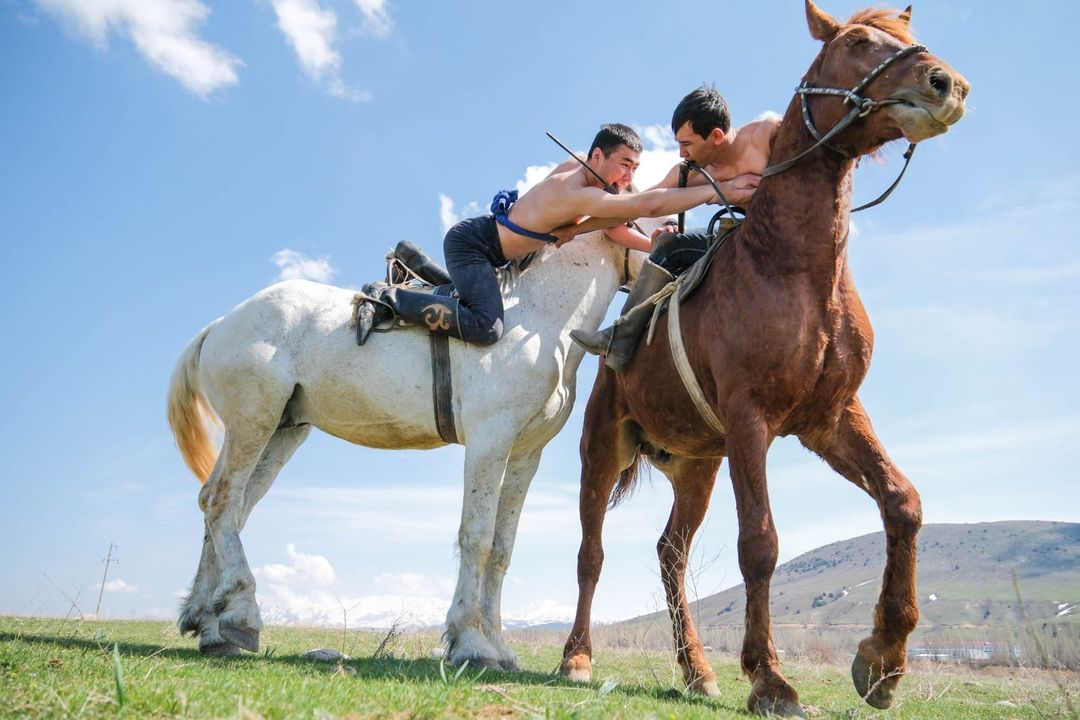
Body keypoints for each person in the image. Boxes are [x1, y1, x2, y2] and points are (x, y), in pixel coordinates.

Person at [355, 123, 724, 346]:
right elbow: (641, 206)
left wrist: (652, 242)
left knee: (465, 294)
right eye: (624, 165)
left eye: (635, 168)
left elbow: (613, 227)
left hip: (495, 253)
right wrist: (711, 193)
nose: (628, 178)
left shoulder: (586, 178)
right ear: (597, 155)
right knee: (487, 325)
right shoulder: (575, 190)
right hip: (474, 245)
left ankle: (414, 261)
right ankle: (388, 298)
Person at [569, 87, 780, 371]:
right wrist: (577, 228)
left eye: (687, 144)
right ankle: (620, 338)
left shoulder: (768, 135)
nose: (681, 153)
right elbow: (637, 206)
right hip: (741, 239)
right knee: (671, 246)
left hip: (790, 235)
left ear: (716, 136)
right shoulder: (689, 173)